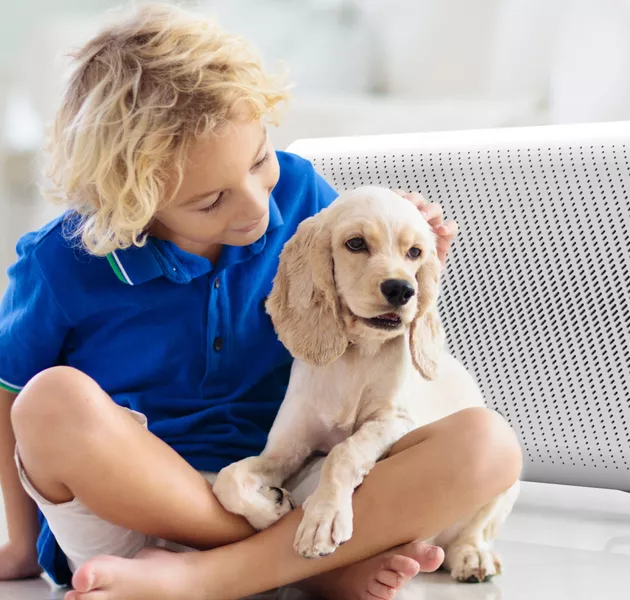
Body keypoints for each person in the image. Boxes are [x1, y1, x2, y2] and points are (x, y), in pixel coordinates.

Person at [0, 4, 522, 599]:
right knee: (48, 401)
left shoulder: (303, 195)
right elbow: (9, 397)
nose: (255, 208)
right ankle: (290, 567)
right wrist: (20, 541)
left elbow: (360, 329)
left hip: (286, 490)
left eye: (258, 161)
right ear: (131, 202)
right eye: (210, 201)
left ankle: (226, 573)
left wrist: (405, 261)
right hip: (131, 511)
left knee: (489, 445)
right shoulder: (62, 259)